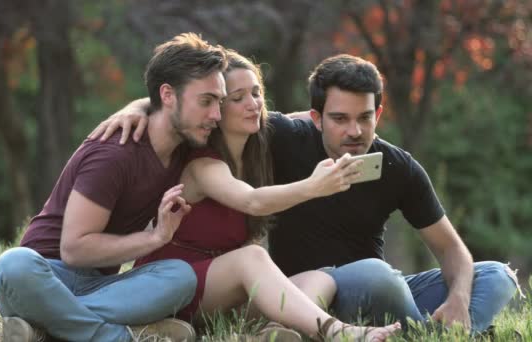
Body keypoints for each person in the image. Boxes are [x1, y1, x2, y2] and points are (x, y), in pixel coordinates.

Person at [90, 53, 520, 334]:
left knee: (495, 276)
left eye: (364, 118)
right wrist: (135, 109)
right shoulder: (279, 137)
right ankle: (409, 332)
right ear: (314, 117)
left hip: (360, 288)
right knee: (372, 272)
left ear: (379, 114)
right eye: (339, 118)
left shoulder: (398, 166)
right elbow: (189, 100)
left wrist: (459, 300)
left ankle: (429, 331)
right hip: (310, 288)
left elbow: (452, 250)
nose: (353, 131)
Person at [135, 50, 401, 341]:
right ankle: (338, 332)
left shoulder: (258, 155)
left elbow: (304, 118)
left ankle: (273, 333)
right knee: (251, 257)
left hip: (220, 296)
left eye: (257, 92)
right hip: (168, 289)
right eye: (238, 98)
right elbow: (253, 201)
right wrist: (314, 186)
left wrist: (351, 124)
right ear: (215, 108)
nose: (253, 104)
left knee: (320, 277)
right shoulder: (202, 165)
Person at [0, 33, 228, 342]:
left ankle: (44, 326)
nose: (217, 115)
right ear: (168, 96)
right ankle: (117, 337)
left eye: (220, 101)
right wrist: (153, 238)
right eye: (207, 101)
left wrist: (312, 119)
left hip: (101, 287)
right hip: (44, 275)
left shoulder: (187, 142)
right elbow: (74, 249)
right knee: (13, 264)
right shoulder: (114, 153)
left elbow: (256, 117)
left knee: (182, 277)